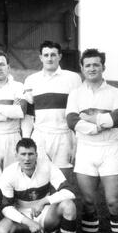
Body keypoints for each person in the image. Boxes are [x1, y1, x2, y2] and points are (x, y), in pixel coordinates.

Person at [66, 48, 118, 233]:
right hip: (85, 151)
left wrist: (93, 119)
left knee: (114, 203)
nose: (92, 68)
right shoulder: (76, 94)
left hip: (110, 150)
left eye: (96, 64)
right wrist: (99, 124)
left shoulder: (117, 92)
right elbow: (72, 120)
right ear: (82, 68)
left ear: (103, 66)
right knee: (89, 204)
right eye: (88, 65)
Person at [0, 138, 77, 233]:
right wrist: (29, 223)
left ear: (36, 155)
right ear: (16, 156)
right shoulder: (9, 173)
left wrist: (44, 201)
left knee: (69, 206)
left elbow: (69, 192)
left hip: (45, 213)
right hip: (21, 215)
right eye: (23, 154)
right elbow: (6, 208)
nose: (27, 159)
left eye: (30, 154)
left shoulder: (47, 166)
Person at [22, 40, 82, 181]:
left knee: (62, 180)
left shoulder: (73, 78)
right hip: (40, 136)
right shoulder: (31, 80)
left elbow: (78, 113)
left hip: (64, 136)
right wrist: (26, 139)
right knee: (39, 179)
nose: (50, 58)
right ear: (41, 57)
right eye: (46, 55)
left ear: (60, 56)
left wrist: (77, 143)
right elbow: (29, 114)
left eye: (53, 55)